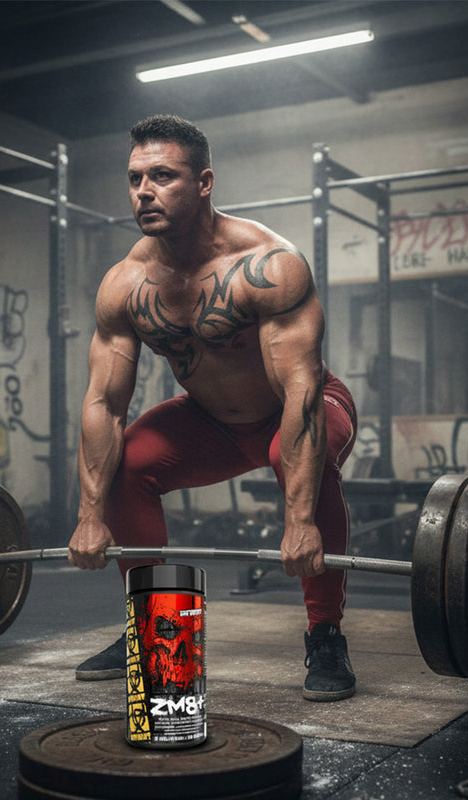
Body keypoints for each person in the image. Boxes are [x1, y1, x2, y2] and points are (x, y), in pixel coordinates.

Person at [67, 115, 358, 701]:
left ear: (204, 183)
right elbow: (104, 403)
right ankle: (153, 627)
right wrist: (89, 512)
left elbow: (299, 394)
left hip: (304, 406)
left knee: (291, 454)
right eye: (134, 178)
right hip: (211, 421)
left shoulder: (269, 266)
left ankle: (325, 633)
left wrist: (299, 521)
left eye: (162, 176)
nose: (143, 191)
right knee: (129, 462)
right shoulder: (124, 284)